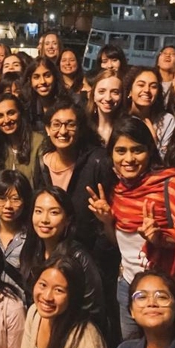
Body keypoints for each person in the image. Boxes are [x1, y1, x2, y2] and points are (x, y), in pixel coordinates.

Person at [87, 117, 175, 348]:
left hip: (166, 292)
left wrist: (160, 239)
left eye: (137, 150)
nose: (128, 159)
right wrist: (108, 221)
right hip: (128, 287)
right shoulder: (117, 190)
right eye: (120, 151)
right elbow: (119, 243)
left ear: (150, 151)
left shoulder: (172, 185)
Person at [33, 96, 113, 252]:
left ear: (80, 129)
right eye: (56, 125)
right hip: (54, 249)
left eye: (70, 125)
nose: (63, 131)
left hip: (92, 252)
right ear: (48, 129)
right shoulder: (43, 162)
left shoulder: (98, 161)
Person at [20, 186, 107, 328]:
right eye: (38, 211)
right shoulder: (31, 250)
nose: (44, 219)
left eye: (53, 212)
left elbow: (94, 309)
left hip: (74, 332)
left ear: (67, 219)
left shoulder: (78, 257)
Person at [122, 67, 175, 156]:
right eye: (141, 85)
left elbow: (166, 159)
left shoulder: (167, 120)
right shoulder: (118, 118)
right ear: (130, 91)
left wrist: (153, 140)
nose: (147, 90)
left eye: (153, 86)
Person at [0, 93, 42, 182]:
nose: (6, 120)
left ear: (21, 114)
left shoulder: (38, 142)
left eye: (11, 113)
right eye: (0, 116)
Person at [21, 58, 65, 130]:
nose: (42, 82)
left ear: (55, 77)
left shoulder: (70, 102)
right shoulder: (26, 108)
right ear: (30, 80)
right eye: (36, 77)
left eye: (47, 76)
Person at [86, 70, 123, 146]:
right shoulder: (84, 128)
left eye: (115, 92)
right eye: (102, 91)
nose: (108, 98)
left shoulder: (127, 129)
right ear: (93, 95)